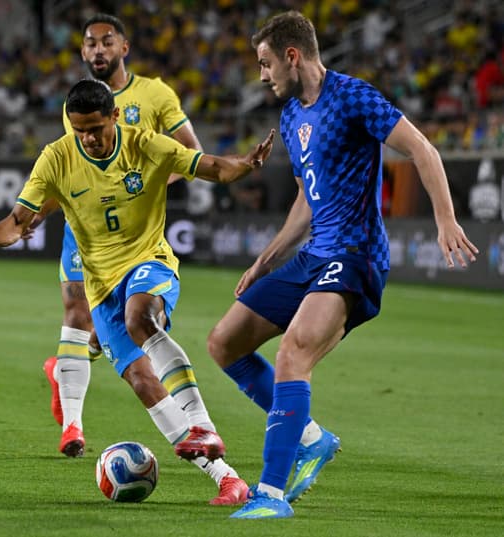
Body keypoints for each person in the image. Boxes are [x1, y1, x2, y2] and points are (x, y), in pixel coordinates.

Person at [204, 11, 478, 519]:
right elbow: (310, 199)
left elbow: (421, 148)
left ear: (292, 56)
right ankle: (309, 438)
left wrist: (444, 220)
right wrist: (266, 260)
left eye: (265, 64)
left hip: (354, 256)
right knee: (224, 342)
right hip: (313, 256)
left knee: (293, 354)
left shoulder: (352, 97)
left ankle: (270, 494)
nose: (261, 76)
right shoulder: (289, 116)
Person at [0, 78, 274, 505]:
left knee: (140, 319)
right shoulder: (56, 158)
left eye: (96, 128)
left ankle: (203, 426)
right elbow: (19, 221)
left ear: (115, 115)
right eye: (80, 130)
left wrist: (246, 164)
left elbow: (212, 168)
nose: (89, 138)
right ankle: (228, 479)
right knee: (142, 380)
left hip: (150, 261)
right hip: (100, 286)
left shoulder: (146, 145)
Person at [41, 13, 207, 462]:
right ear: (82, 52)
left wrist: (144, 184)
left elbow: (190, 152)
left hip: (135, 233)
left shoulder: (154, 94)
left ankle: (69, 366)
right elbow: (74, 166)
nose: (98, 50)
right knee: (76, 313)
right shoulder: (77, 103)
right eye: (90, 43)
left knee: (128, 327)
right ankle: (72, 426)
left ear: (124, 47)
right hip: (87, 231)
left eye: (106, 42)